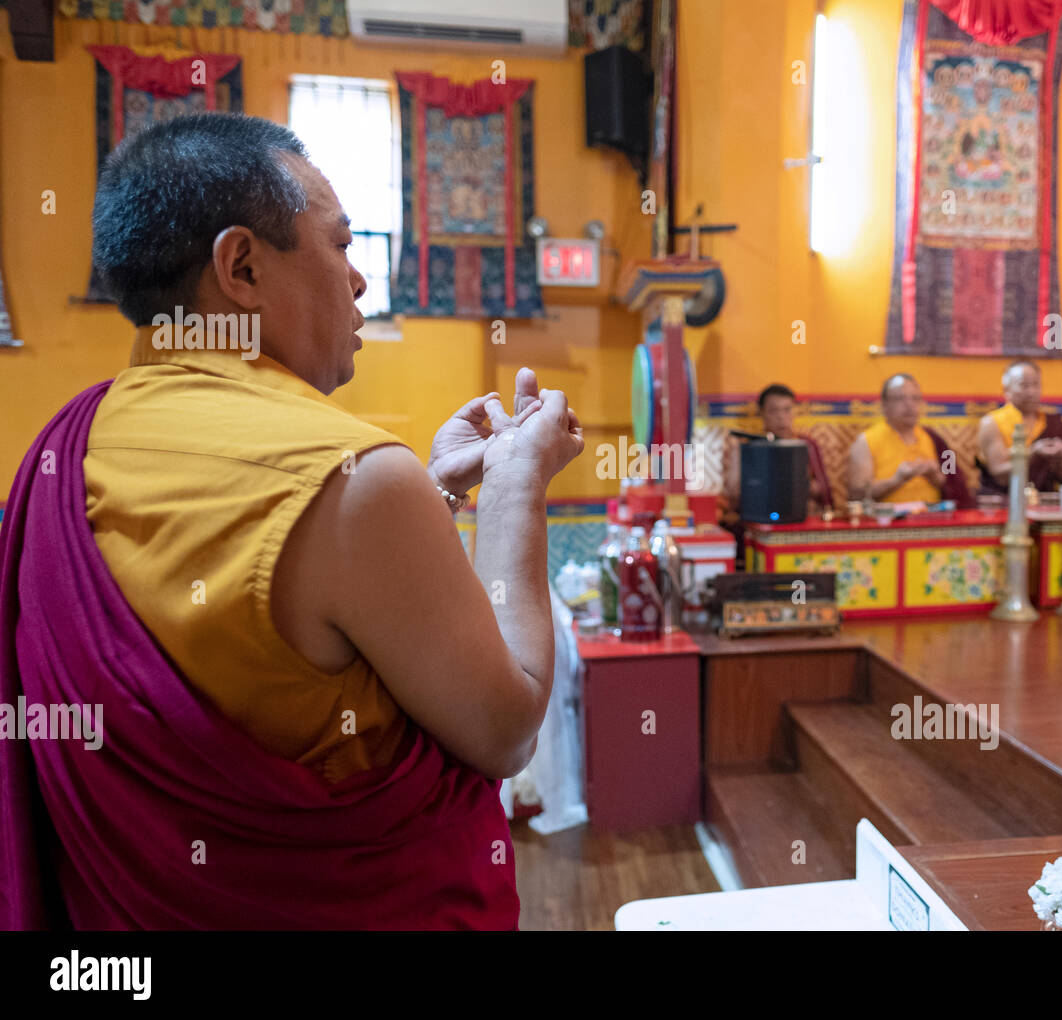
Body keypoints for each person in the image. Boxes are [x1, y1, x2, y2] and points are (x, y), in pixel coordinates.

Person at [0, 114, 584, 930]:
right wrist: (517, 486)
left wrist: (435, 496)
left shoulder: (67, 450)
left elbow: (305, 625)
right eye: (341, 246)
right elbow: (507, 725)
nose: (359, 283)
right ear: (240, 266)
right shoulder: (357, 476)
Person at [847, 374, 973, 507]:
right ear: (884, 405)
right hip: (886, 523)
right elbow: (857, 495)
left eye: (915, 398)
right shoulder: (865, 442)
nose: (909, 405)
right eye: (899, 399)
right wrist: (897, 480)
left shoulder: (936, 440)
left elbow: (956, 484)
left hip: (933, 521)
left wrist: (935, 477)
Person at [722, 383, 833, 515]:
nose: (781, 417)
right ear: (762, 413)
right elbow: (734, 495)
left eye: (787, 409)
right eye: (774, 411)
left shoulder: (806, 444)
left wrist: (807, 487)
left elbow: (824, 491)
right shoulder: (749, 447)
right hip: (759, 515)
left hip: (799, 515)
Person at [976, 360, 1062, 496]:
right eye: (1024, 385)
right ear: (1007, 390)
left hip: (1044, 500)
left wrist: (1061, 458)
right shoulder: (992, 423)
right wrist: (1033, 453)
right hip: (1003, 500)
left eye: (1036, 385)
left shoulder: (1053, 423)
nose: (1031, 392)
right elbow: (999, 474)